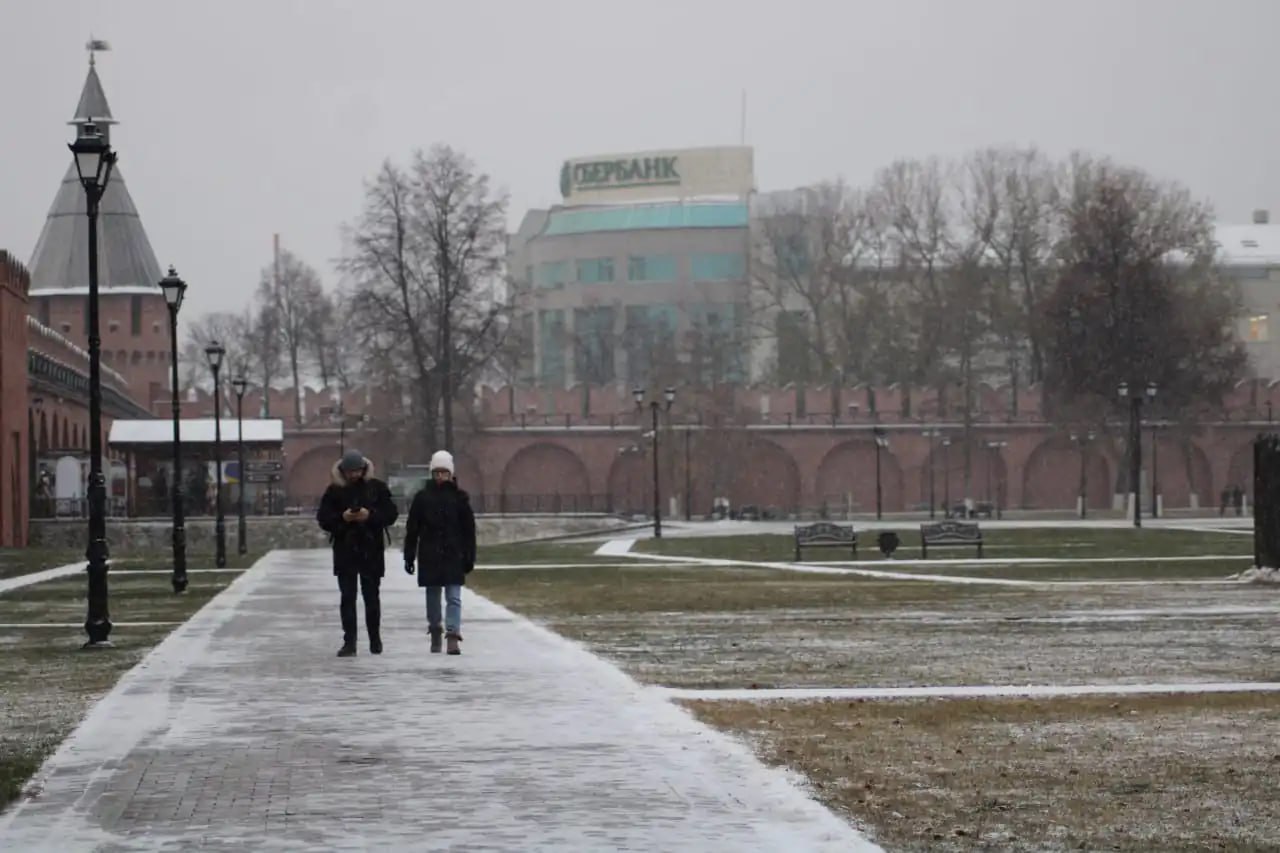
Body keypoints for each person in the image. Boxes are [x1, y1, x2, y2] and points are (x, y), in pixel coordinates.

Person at [316, 450, 398, 657]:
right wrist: (343, 518)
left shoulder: (377, 488)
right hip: (345, 550)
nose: (354, 475)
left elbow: (391, 514)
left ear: (364, 469)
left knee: (372, 597)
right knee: (347, 598)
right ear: (343, 471)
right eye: (350, 472)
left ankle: (375, 639)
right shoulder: (334, 491)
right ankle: (349, 641)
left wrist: (370, 516)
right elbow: (323, 519)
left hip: (371, 549)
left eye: (357, 471)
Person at [403, 450, 476, 655]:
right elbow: (413, 529)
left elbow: (468, 530)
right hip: (430, 554)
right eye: (437, 473)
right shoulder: (422, 498)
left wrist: (469, 556)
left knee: (454, 597)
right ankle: (435, 628)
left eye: (444, 473)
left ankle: (453, 635)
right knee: (433, 596)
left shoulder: (460, 498)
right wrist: (409, 555)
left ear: (451, 474)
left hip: (453, 553)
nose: (440, 477)